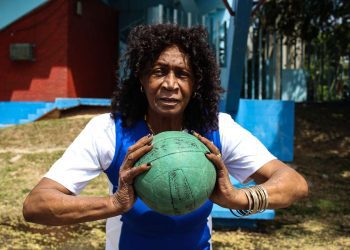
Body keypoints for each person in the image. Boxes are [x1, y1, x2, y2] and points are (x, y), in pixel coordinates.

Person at [23, 24, 308, 249]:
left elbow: (294, 185)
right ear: (141, 78)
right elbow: (36, 205)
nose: (170, 84)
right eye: (159, 71)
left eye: (182, 74)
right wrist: (113, 203)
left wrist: (237, 198)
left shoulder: (219, 129)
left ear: (196, 84)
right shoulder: (108, 131)